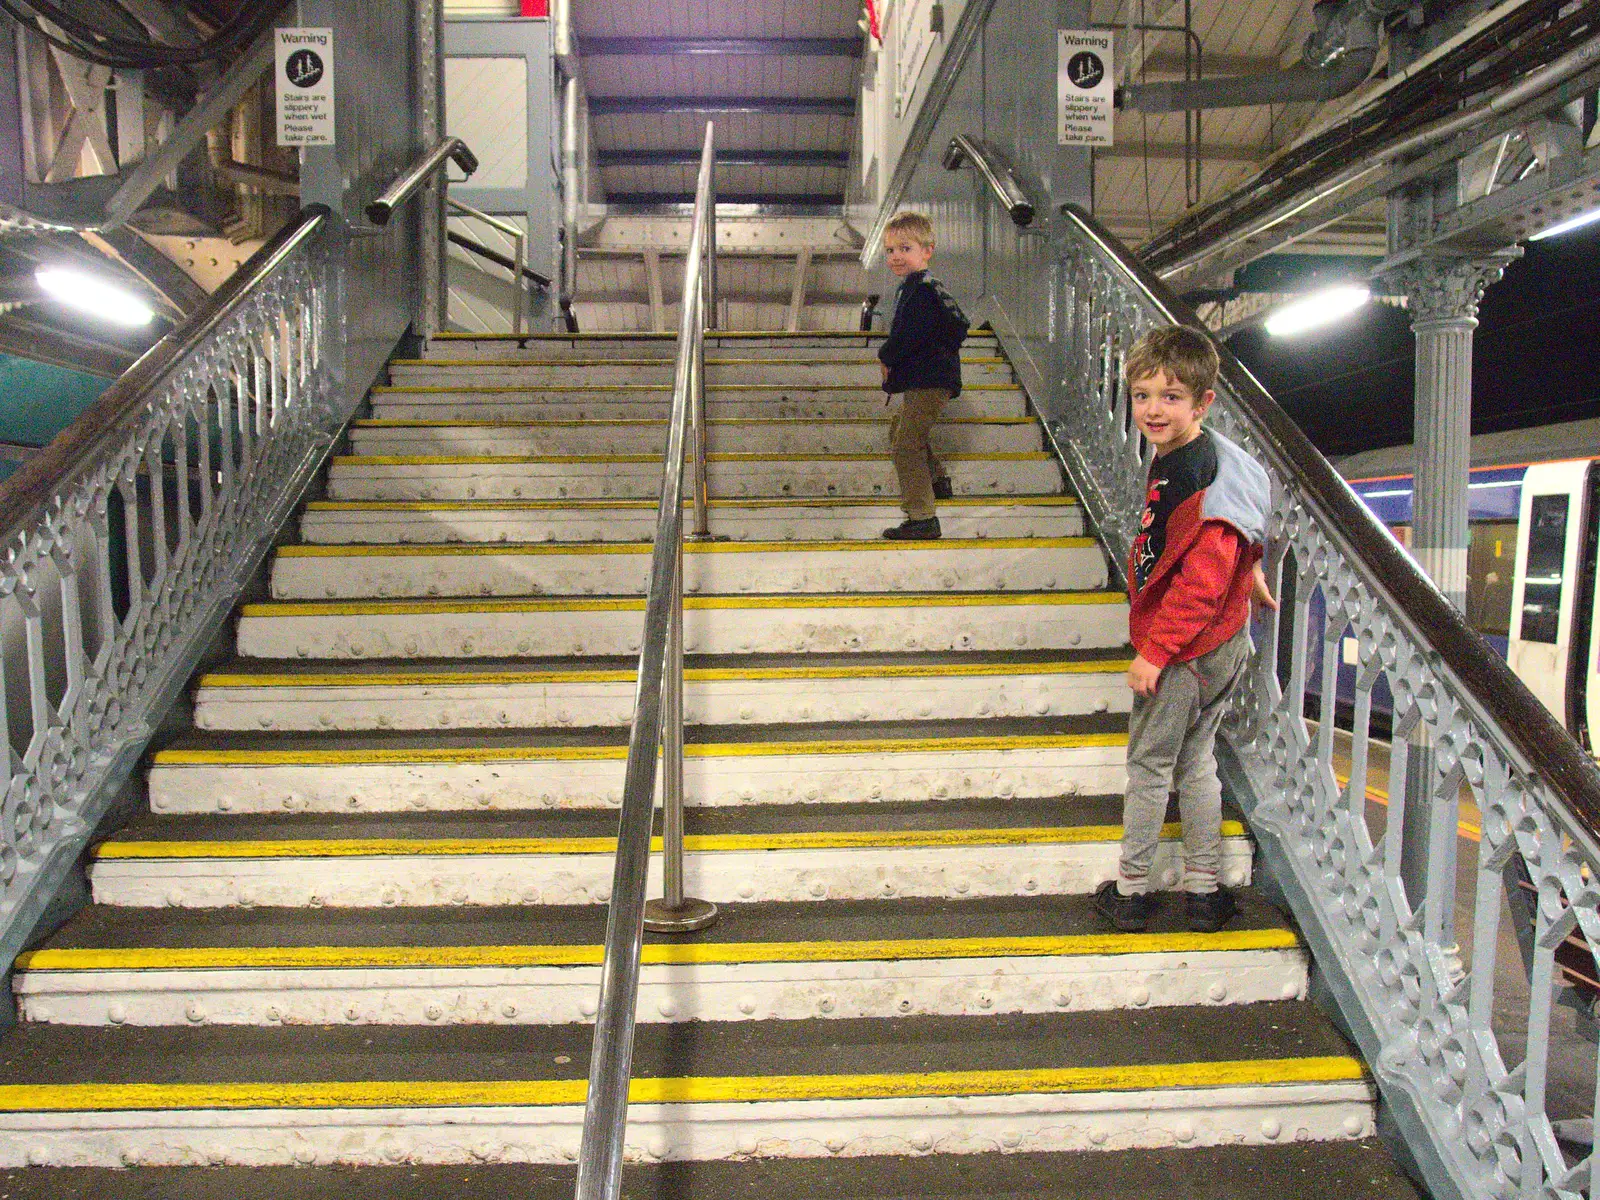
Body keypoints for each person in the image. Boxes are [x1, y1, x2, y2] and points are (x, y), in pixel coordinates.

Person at [1091, 325, 1274, 934]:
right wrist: (1249, 570)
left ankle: (1131, 889)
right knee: (1196, 763)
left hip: (1187, 649)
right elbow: (1232, 536)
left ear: (1203, 403)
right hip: (1220, 640)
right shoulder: (1202, 456)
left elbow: (1201, 576)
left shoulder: (1197, 476)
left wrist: (1156, 653)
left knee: (1149, 766)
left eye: (1170, 397)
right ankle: (1203, 890)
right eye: (1142, 395)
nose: (1152, 410)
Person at [876, 211, 969, 540]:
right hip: (930, 378)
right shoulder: (923, 288)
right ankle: (936, 480)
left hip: (929, 380)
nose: (896, 256)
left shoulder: (921, 292)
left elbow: (907, 336)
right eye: (890, 250)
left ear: (927, 250)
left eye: (905, 248)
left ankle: (922, 517)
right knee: (900, 429)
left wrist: (885, 356)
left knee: (905, 446)